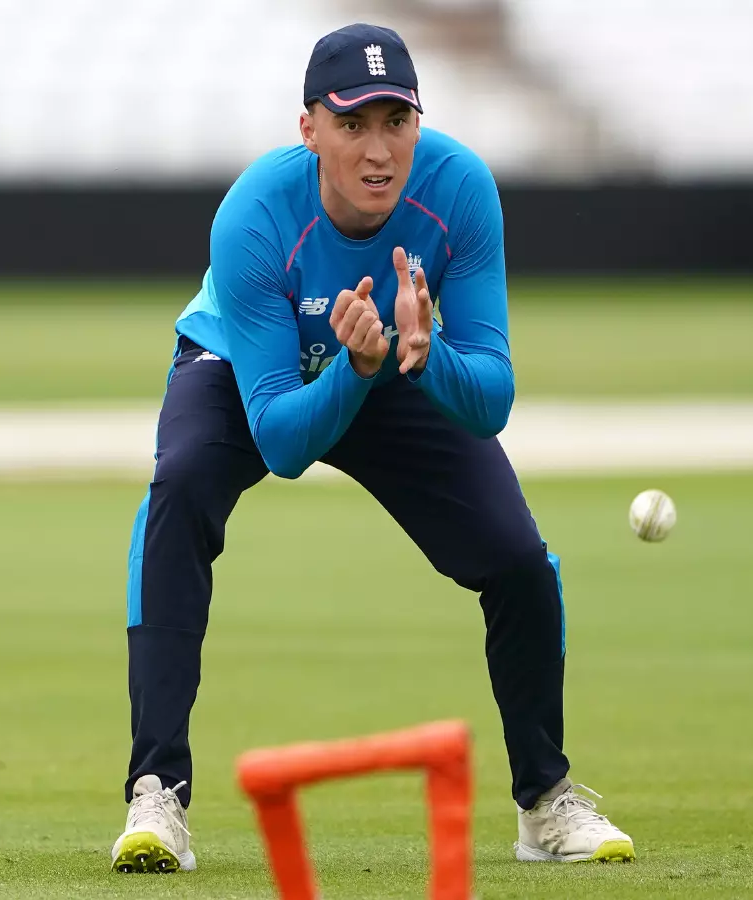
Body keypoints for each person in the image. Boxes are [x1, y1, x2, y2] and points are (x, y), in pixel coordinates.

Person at [110, 22, 635, 874]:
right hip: (252, 368)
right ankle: (156, 793)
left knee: (518, 560)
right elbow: (280, 439)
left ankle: (545, 802)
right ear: (309, 128)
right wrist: (356, 367)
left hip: (395, 366)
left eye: (397, 121)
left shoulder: (459, 189)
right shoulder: (254, 213)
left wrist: (422, 353)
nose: (378, 149)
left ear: (419, 126)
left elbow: (491, 396)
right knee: (181, 490)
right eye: (352, 124)